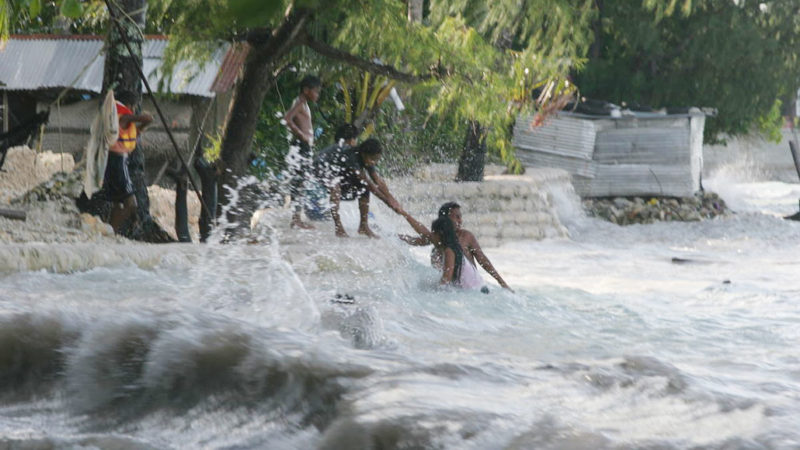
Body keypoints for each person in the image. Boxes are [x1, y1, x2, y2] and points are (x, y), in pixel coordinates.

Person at [399, 201, 513, 291]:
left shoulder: (465, 237)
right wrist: (392, 236)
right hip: (461, 289)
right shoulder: (441, 240)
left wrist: (502, 283)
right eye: (456, 217)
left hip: (472, 288)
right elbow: (416, 239)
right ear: (445, 220)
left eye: (460, 217)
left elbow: (483, 260)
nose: (460, 220)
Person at [313, 136, 403, 238]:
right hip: (321, 167)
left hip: (338, 171)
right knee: (336, 187)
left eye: (376, 160)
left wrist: (391, 198)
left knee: (363, 188)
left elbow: (377, 180)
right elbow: (370, 185)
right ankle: (338, 226)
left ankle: (363, 226)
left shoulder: (367, 158)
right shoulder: (352, 157)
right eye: (372, 159)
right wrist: (387, 202)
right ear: (364, 154)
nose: (374, 162)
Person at [104, 91, 152, 235]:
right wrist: (142, 115)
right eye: (134, 106)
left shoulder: (119, 120)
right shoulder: (124, 117)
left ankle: (110, 231)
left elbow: (136, 131)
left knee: (118, 203)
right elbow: (148, 118)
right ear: (130, 105)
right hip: (117, 162)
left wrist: (140, 127)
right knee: (131, 203)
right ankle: (112, 232)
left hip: (115, 162)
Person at [284, 74, 322, 230]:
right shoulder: (300, 102)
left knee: (301, 182)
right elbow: (287, 118)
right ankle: (296, 219)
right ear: (306, 90)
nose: (317, 95)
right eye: (316, 91)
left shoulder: (303, 103)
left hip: (302, 146)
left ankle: (297, 218)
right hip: (300, 146)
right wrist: (302, 135)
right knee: (299, 183)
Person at [430, 216, 488, 290]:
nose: (431, 236)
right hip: (479, 288)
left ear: (440, 233)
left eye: (433, 233)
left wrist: (432, 291)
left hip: (479, 291)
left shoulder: (449, 251)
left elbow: (446, 280)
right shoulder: (452, 248)